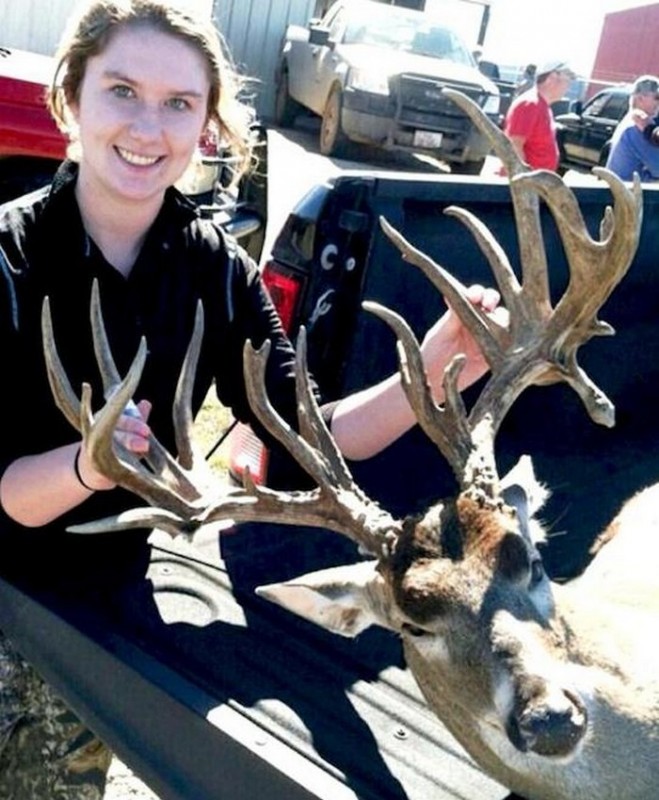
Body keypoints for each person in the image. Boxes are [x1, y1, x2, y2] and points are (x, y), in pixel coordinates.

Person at [0, 1, 502, 797]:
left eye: (178, 104)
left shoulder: (211, 266)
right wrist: (89, 463)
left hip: (113, 599)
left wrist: (438, 365)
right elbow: (5, 500)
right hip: (13, 588)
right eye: (121, 91)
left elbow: (317, 435)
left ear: (206, 125)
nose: (146, 127)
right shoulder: (10, 255)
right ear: (71, 99)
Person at [500, 59, 576, 171]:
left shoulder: (542, 106)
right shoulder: (530, 105)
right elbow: (514, 147)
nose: (568, 86)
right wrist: (525, 182)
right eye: (567, 80)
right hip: (523, 185)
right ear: (551, 78)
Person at [607, 74, 659, 181]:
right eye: (657, 97)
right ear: (640, 98)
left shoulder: (628, 121)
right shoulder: (636, 128)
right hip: (630, 194)